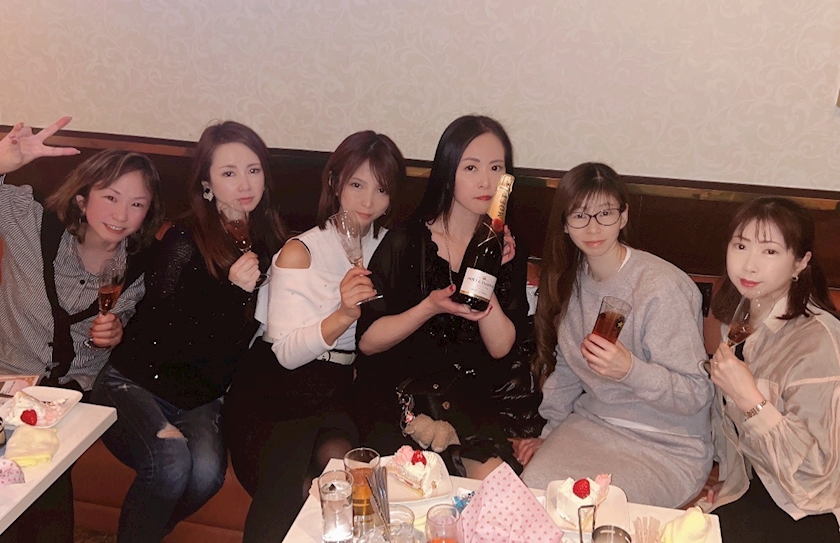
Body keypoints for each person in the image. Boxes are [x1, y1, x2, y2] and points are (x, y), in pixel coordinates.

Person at [90, 121, 287, 543]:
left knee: (206, 476)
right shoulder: (185, 238)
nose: (244, 184)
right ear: (207, 184)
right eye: (229, 173)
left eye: (253, 170)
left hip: (201, 398)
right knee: (171, 462)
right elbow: (165, 333)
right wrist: (232, 292)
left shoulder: (268, 242)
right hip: (135, 382)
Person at [225, 130, 406, 541]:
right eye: (357, 185)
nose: (368, 201)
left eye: (381, 190)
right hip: (276, 391)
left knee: (349, 475)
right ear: (334, 183)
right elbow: (286, 354)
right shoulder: (300, 251)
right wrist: (343, 314)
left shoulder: (388, 246)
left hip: (337, 388)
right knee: (294, 486)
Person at [1, 117, 163, 543]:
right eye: (110, 197)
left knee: (44, 467)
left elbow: (149, 336)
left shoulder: (145, 265)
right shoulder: (30, 221)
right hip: (9, 378)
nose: (121, 215)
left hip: (76, 392)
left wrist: (119, 335)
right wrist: (2, 162)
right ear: (81, 197)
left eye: (137, 204)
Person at [517, 162, 713, 508]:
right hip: (591, 425)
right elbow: (566, 371)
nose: (593, 227)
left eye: (605, 213)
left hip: (667, 445)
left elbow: (696, 393)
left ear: (623, 217)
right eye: (580, 215)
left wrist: (630, 370)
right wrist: (550, 433)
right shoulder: (570, 280)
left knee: (598, 512)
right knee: (530, 498)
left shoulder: (661, 287)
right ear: (564, 223)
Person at [353, 115, 527, 478]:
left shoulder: (507, 248)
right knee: (418, 495)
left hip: (467, 407)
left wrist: (487, 270)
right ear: (448, 173)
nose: (486, 181)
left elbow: (501, 347)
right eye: (471, 167)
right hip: (401, 407)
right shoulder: (406, 241)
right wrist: (429, 307)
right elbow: (367, 342)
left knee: (498, 497)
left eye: (496, 168)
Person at [697, 197, 840, 542]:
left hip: (807, 508)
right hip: (753, 490)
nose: (749, 265)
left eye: (770, 251)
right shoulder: (740, 322)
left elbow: (817, 474)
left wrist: (751, 400)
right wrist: (729, 480)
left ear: (800, 263)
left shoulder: (819, 341)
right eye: (741, 245)